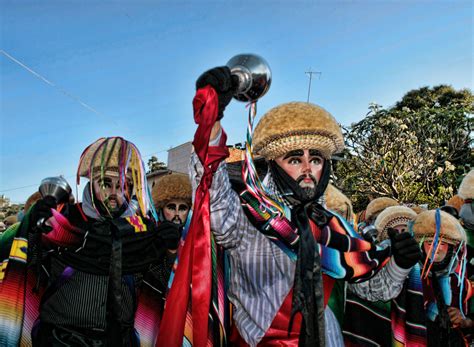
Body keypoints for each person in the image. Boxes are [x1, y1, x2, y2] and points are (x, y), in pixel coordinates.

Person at [168, 66, 421, 346]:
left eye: (315, 159)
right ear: (274, 165)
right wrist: (212, 120)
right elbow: (210, 191)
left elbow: (374, 290)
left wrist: (400, 263)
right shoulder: (248, 216)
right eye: (294, 159)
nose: (307, 169)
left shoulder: (335, 226)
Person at [0, 137, 180, 346]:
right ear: (91, 183)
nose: (114, 193)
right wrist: (32, 227)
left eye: (123, 185)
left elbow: (157, 280)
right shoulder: (66, 220)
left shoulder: (142, 230)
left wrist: (171, 249)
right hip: (61, 338)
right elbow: (29, 265)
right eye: (105, 183)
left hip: (119, 340)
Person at [343, 206, 425, 346]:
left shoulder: (423, 266)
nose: (400, 235)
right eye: (395, 231)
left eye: (404, 230)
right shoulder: (370, 261)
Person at [412, 209, 472, 346]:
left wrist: (465, 320)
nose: (436, 248)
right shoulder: (410, 279)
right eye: (430, 242)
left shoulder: (461, 283)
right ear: (420, 245)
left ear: (452, 248)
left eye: (442, 243)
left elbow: (470, 318)